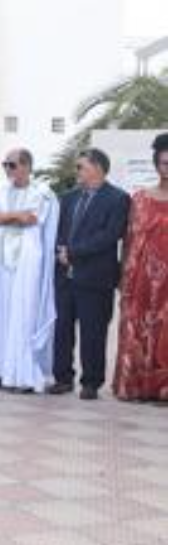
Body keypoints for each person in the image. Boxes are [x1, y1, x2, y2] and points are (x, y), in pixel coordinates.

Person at [0, 149, 60, 392]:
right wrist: (12, 216)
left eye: (12, 165)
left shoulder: (42, 192)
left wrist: (3, 217)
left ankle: (20, 373)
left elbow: (30, 219)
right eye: (5, 165)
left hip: (26, 261)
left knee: (22, 311)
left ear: (27, 166)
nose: (8, 170)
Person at [50, 148, 131, 400]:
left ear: (97, 168)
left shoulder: (118, 199)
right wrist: (61, 252)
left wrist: (73, 252)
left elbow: (109, 236)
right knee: (62, 329)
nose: (77, 171)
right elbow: (59, 230)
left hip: (96, 277)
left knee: (92, 332)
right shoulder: (69, 198)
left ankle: (91, 382)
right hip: (64, 276)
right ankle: (63, 378)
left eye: (80, 167)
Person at [113, 133, 168, 402]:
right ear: (156, 164)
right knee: (139, 329)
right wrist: (124, 276)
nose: (168, 168)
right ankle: (137, 385)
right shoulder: (140, 198)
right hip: (142, 278)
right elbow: (130, 240)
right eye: (164, 163)